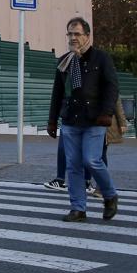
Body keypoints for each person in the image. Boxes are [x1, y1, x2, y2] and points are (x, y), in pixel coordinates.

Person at [47, 17, 119, 222]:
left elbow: (112, 87)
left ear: (87, 36)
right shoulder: (64, 61)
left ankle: (110, 195)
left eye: (77, 34)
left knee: (92, 160)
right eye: (70, 34)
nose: (73, 38)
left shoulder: (101, 59)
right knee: (73, 165)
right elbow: (57, 93)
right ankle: (78, 208)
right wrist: (52, 120)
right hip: (70, 120)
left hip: (95, 120)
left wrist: (107, 113)